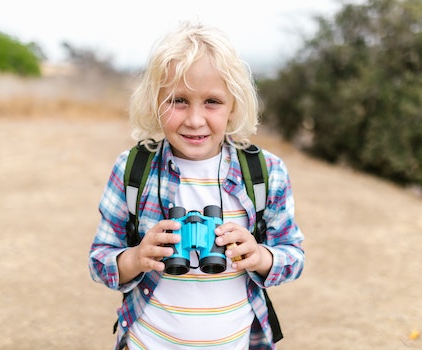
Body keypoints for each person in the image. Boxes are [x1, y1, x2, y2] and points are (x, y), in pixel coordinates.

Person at [89, 21, 305, 350]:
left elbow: (294, 255)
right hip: (148, 342)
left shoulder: (266, 172)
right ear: (154, 102)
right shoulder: (134, 169)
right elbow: (100, 260)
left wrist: (258, 255)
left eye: (212, 102)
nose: (194, 119)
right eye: (178, 100)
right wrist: (136, 258)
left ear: (234, 104)